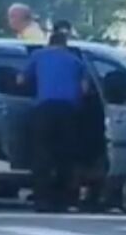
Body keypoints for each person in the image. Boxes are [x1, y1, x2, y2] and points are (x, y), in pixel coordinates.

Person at [19, 32, 88, 212]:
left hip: (44, 110)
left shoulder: (38, 56)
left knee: (42, 154)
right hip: (68, 111)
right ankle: (64, 200)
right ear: (65, 44)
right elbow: (85, 89)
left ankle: (42, 200)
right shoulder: (76, 61)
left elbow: (20, 80)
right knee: (65, 156)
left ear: (49, 43)